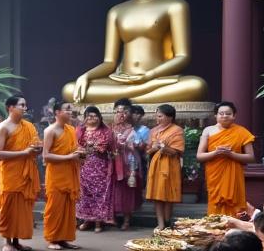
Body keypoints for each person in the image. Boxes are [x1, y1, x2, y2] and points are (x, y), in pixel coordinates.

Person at [0, 94, 41, 251]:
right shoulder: (4, 127)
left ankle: (16, 240)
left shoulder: (29, 126)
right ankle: (7, 242)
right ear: (11, 107)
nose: (25, 108)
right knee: (9, 206)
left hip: (26, 172)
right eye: (21, 105)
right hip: (11, 173)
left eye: (25, 105)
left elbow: (33, 146)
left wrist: (36, 150)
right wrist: (23, 153)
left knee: (22, 208)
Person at [197, 101, 256, 216]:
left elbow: (251, 157)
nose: (224, 116)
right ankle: (215, 226)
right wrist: (216, 153)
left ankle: (234, 226)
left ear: (234, 115)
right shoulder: (208, 131)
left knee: (233, 204)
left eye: (228, 114)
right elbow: (200, 156)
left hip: (234, 175)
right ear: (216, 115)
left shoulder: (242, 132)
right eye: (221, 113)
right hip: (215, 174)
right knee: (216, 203)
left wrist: (231, 154)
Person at [41, 99, 84, 250]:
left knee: (68, 208)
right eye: (67, 109)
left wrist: (80, 153)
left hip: (69, 173)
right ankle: (52, 239)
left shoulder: (71, 129)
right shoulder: (50, 131)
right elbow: (46, 156)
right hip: (56, 175)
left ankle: (63, 238)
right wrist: (69, 157)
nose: (71, 112)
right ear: (57, 112)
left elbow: (73, 149)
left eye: (71, 109)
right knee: (55, 208)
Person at [74, 106, 116, 233]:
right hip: (84, 166)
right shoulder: (80, 131)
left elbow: (107, 148)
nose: (92, 118)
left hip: (100, 167)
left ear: (100, 117)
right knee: (85, 194)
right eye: (89, 116)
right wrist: (81, 149)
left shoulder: (106, 131)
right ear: (85, 118)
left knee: (99, 193)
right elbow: (75, 145)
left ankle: (98, 222)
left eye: (95, 115)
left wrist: (95, 146)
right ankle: (87, 220)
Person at [145, 104, 184, 229]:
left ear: (170, 117)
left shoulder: (177, 130)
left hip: (170, 165)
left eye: (160, 116)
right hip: (156, 165)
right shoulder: (153, 131)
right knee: (157, 195)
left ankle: (167, 221)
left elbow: (176, 151)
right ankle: (160, 223)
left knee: (168, 194)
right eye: (157, 116)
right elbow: (148, 151)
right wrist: (154, 148)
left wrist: (163, 147)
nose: (157, 119)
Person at [109, 99, 144, 230]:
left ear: (129, 113)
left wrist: (131, 145)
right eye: (118, 112)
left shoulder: (132, 130)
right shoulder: (109, 129)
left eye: (124, 112)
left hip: (128, 163)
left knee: (128, 191)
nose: (121, 115)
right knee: (113, 190)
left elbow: (137, 148)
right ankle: (111, 217)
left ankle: (127, 220)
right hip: (112, 163)